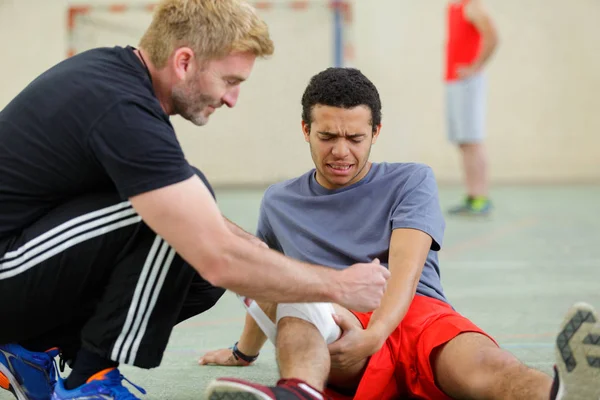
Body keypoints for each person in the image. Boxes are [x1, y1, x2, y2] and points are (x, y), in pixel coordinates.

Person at [0, 1, 390, 399]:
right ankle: (90, 380)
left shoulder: (119, 81)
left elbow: (211, 233)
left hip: (23, 261)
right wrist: (337, 286)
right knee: (166, 225)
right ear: (184, 62)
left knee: (198, 274)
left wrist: (262, 258)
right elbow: (213, 250)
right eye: (229, 80)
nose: (232, 98)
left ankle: (33, 346)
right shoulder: (121, 107)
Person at [199, 67, 600, 400]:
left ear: (375, 132)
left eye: (355, 138)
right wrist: (243, 353)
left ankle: (561, 395)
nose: (341, 150)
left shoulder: (411, 180)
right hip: (338, 326)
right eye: (327, 136)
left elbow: (407, 271)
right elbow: (267, 284)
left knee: (491, 368)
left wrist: (376, 335)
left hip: (416, 315)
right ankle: (299, 390)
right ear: (306, 130)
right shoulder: (279, 201)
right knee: (298, 305)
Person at [445, 0, 498, 215]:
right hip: (454, 81)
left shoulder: (473, 6)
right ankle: (472, 195)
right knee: (464, 142)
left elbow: (493, 37)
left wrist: (475, 67)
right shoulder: (455, 7)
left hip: (467, 82)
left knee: (473, 140)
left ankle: (481, 198)